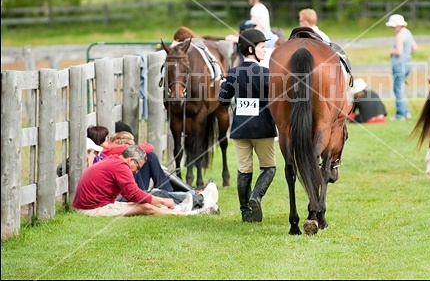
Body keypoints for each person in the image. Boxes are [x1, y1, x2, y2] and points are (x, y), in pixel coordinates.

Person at [218, 28, 277, 223]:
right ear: (251, 49)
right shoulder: (267, 73)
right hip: (263, 129)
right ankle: (256, 197)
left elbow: (222, 101)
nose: (265, 50)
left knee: (244, 171)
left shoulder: (233, 73)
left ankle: (245, 213)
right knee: (269, 167)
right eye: (262, 47)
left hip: (240, 129)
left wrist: (223, 86)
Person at [72, 144, 218, 216]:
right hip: (92, 209)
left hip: (90, 205)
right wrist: (163, 201)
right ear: (131, 160)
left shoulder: (115, 161)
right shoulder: (121, 167)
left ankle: (185, 205)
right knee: (145, 207)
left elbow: (132, 196)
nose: (136, 171)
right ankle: (186, 213)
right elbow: (135, 195)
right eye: (137, 167)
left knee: (147, 200)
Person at [386, 14, 418, 121]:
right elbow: (415, 48)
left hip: (399, 65)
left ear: (399, 25)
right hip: (408, 64)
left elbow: (398, 51)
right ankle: (406, 112)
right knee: (401, 88)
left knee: (398, 89)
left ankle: (401, 114)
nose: (392, 29)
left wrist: (391, 51)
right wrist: (406, 53)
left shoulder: (400, 35)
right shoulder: (408, 33)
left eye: (393, 27)